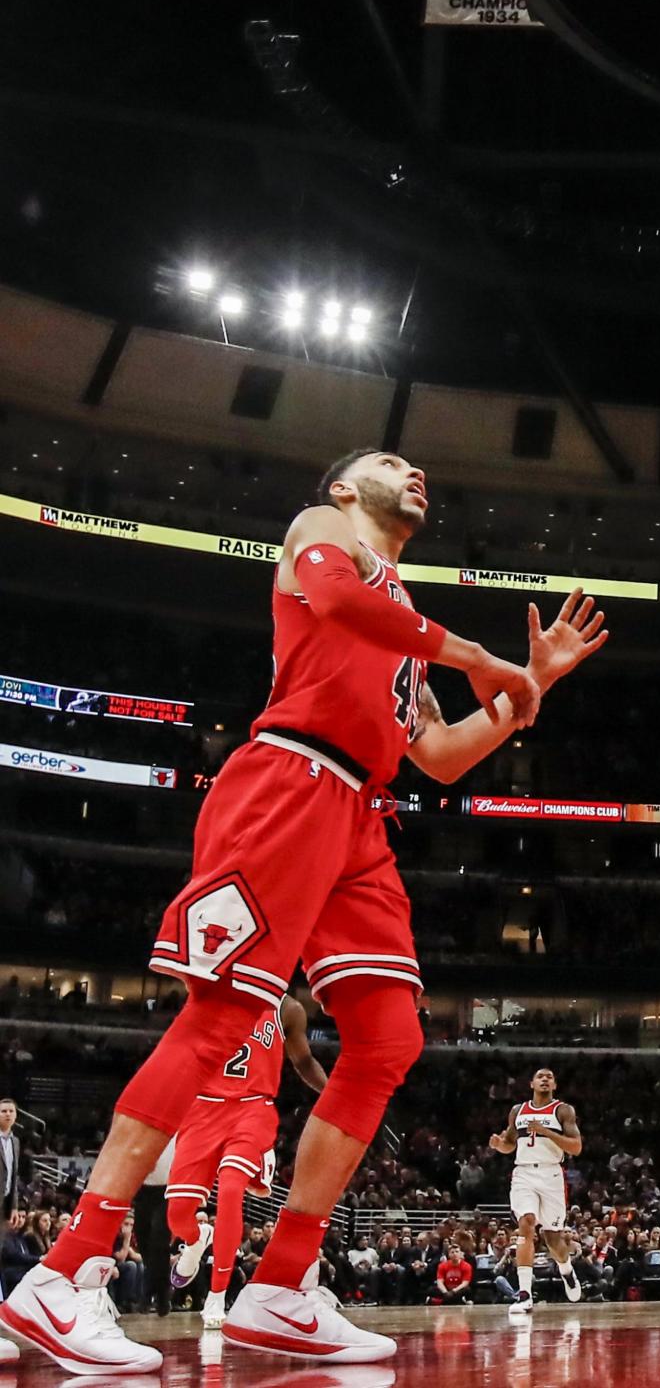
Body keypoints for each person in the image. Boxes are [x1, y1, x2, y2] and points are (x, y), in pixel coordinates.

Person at [0, 450, 608, 1372]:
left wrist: (534, 685)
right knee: (221, 1018)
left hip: (361, 815)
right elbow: (337, 602)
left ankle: (280, 1284)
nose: (415, 471)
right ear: (346, 487)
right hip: (292, 777)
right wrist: (482, 658)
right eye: (391, 462)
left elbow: (441, 755)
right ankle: (64, 1270)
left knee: (389, 1039)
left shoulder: (404, 619)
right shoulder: (325, 533)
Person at [167, 993, 328, 1328]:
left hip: (253, 1107)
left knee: (230, 1190)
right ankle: (197, 1240)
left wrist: (333, 1095)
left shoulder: (286, 1008)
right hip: (203, 1107)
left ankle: (217, 1296)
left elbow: (304, 1061)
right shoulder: (211, 992)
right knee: (178, 1215)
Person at [487, 1067, 586, 1314]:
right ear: (531, 1083)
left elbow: (576, 1147)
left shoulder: (562, 1110)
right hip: (523, 1173)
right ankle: (524, 1295)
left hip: (551, 1174)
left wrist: (545, 1132)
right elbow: (510, 1144)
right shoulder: (518, 1111)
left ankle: (566, 1270)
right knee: (527, 1223)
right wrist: (499, 1145)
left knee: (553, 1239)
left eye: (549, 1077)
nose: (545, 1080)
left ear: (554, 1085)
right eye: (540, 1077)